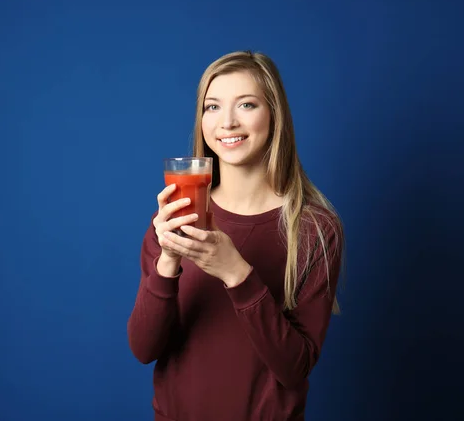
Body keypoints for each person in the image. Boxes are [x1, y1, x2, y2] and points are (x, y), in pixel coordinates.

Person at [127, 50, 345, 421]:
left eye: (246, 104)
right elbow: (144, 348)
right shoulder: (174, 219)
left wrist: (236, 274)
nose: (226, 122)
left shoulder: (315, 229)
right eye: (212, 107)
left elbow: (295, 367)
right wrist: (167, 262)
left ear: (274, 115)